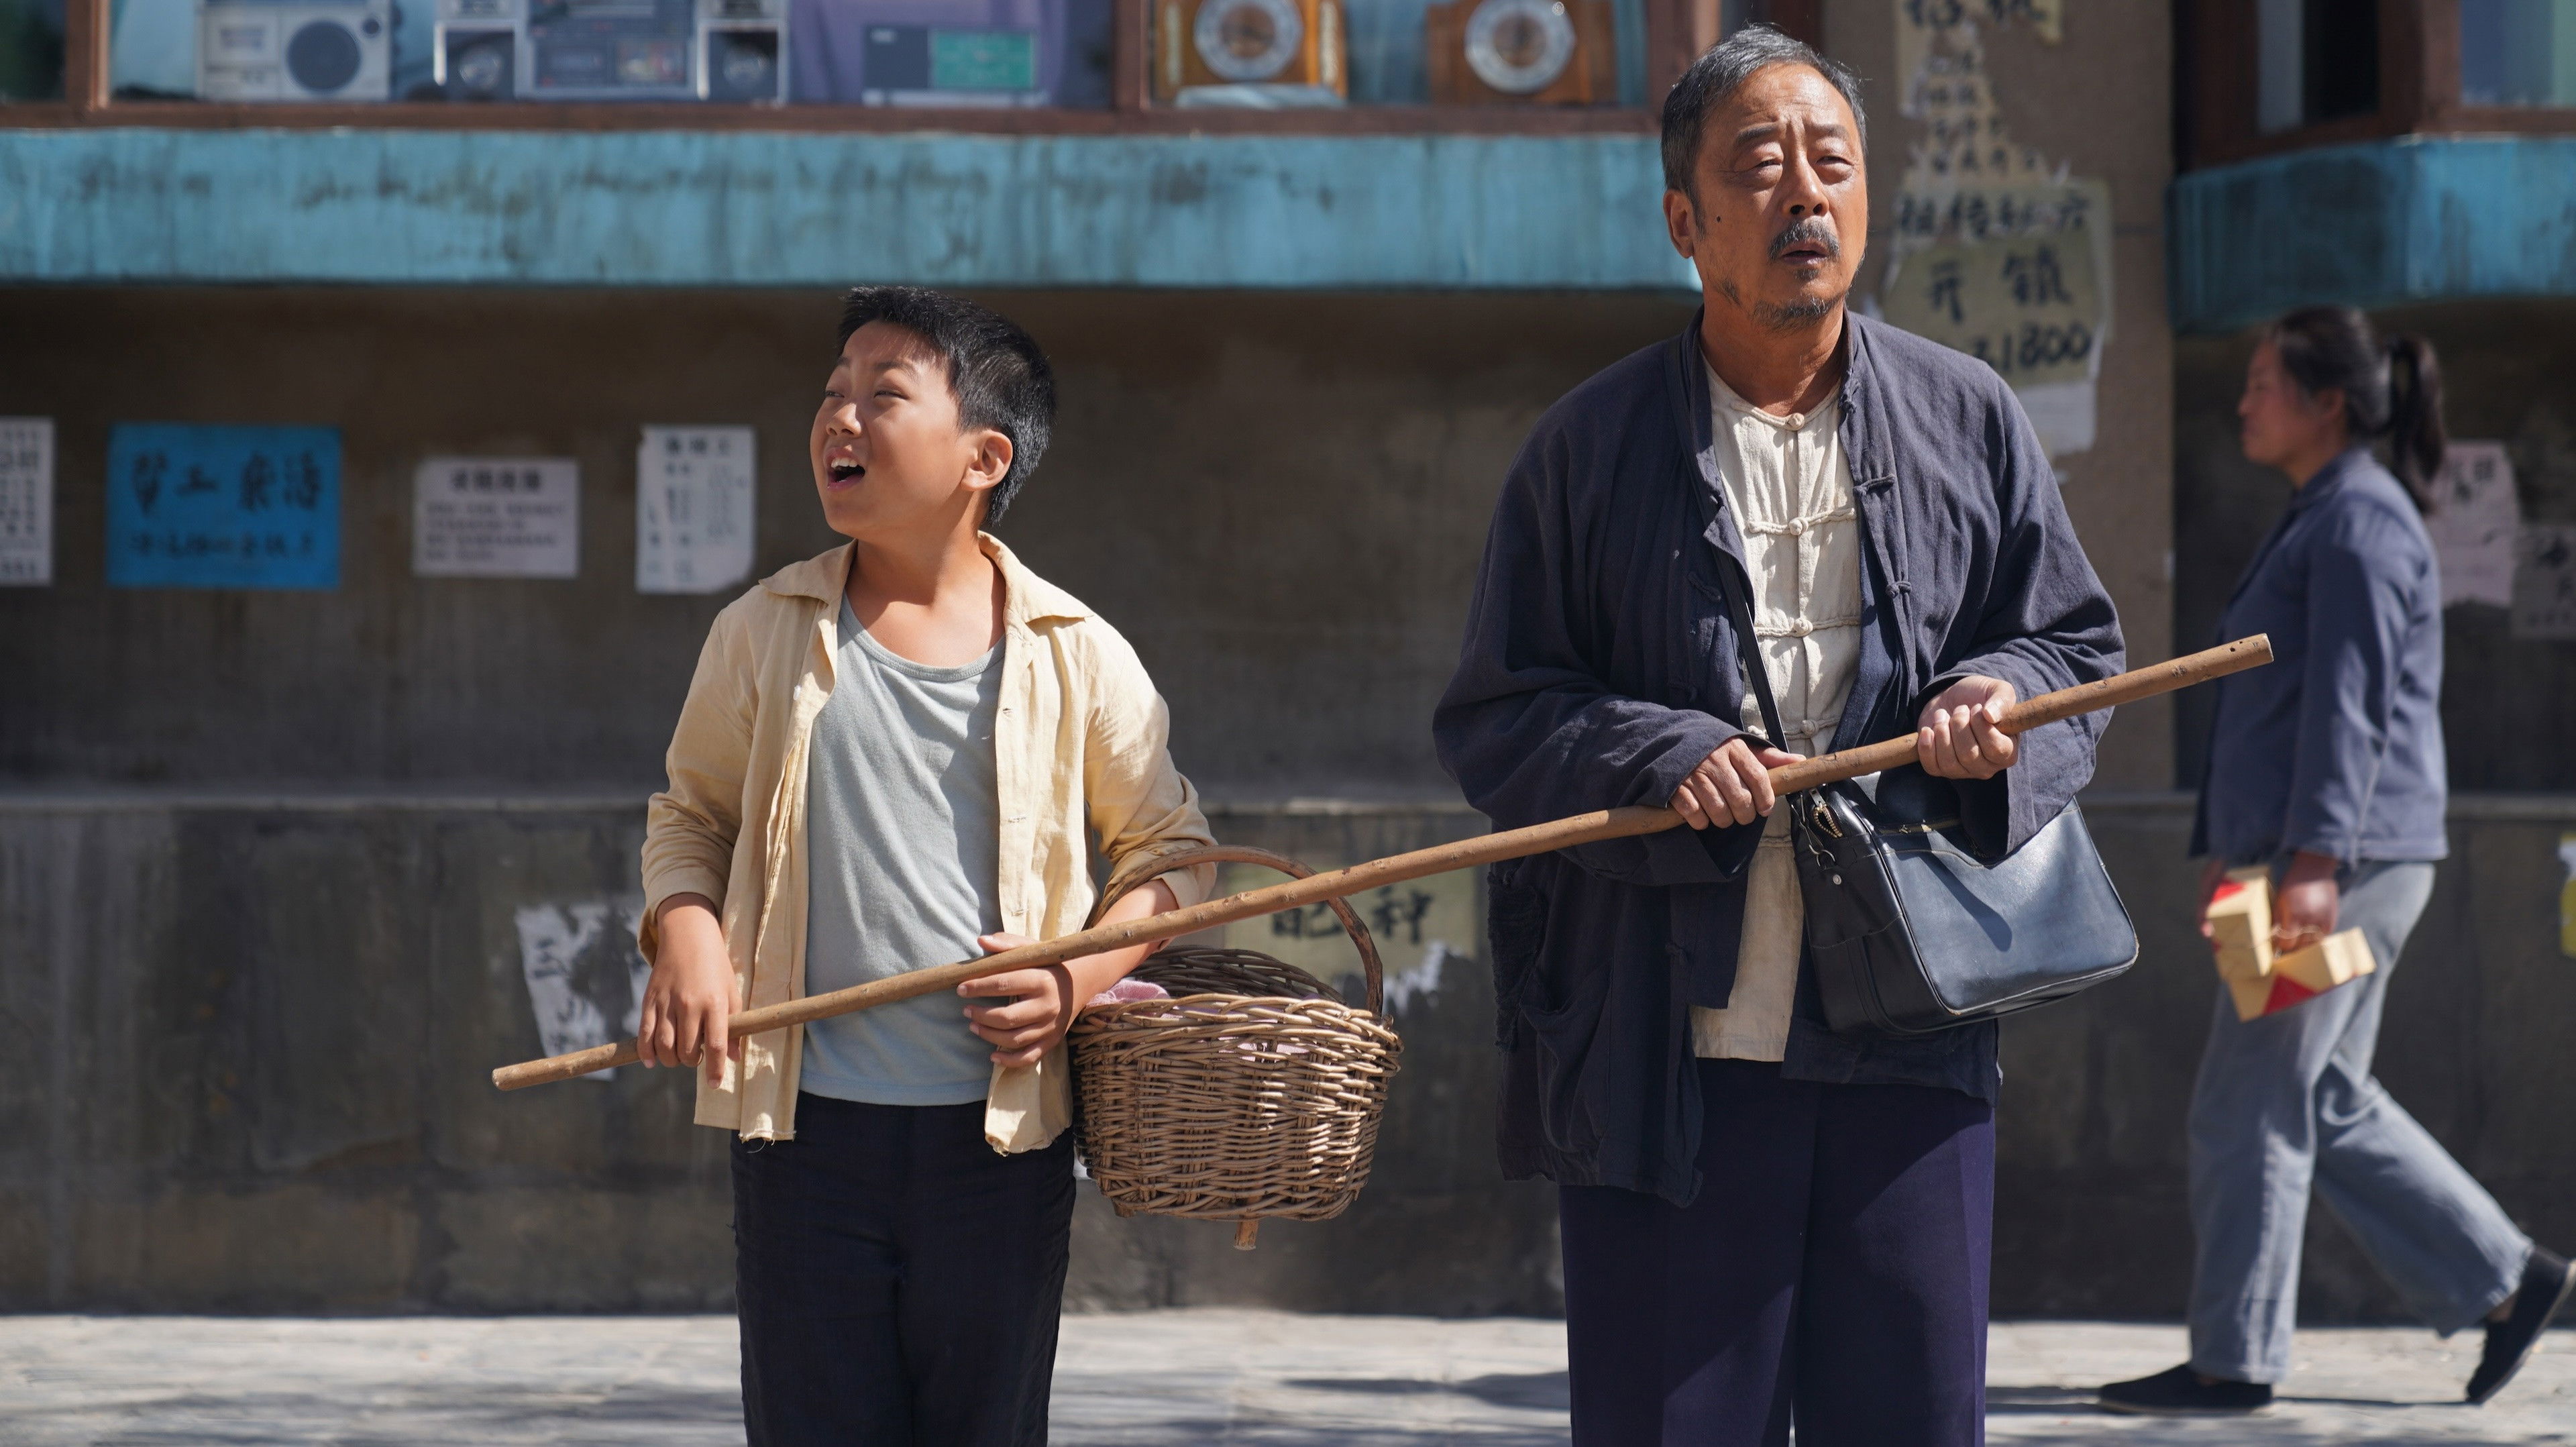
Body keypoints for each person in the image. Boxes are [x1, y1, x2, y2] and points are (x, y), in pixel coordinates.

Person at [1432, 26, 2123, 1447]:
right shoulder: (1589, 447)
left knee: (1916, 1417)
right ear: (1687, 221)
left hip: (1916, 1035)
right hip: (1668, 1050)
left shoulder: (1967, 416)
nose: (1806, 195)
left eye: (1834, 163)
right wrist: (1652, 748)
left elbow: (2074, 646)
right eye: (1760, 166)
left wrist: (1996, 695)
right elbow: (1500, 713)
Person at [631, 286, 1216, 1446]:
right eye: (832, 394)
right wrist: (686, 929)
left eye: (882, 396)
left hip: (997, 1147)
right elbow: (688, 814)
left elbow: (1176, 852)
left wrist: (1078, 977)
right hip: (803, 1142)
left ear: (981, 457)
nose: (838, 419)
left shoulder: (1076, 653)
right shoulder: (762, 630)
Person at [2098, 307, 2573, 1416]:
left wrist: (2310, 863)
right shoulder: (2329, 513)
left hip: (2331, 861)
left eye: (2265, 381)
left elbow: (2349, 712)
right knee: (2323, 1095)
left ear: (2331, 404)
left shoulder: (2358, 522)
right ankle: (2508, 1281)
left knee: (2245, 1101)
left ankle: (2234, 1358)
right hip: (2300, 857)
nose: (2244, 398)